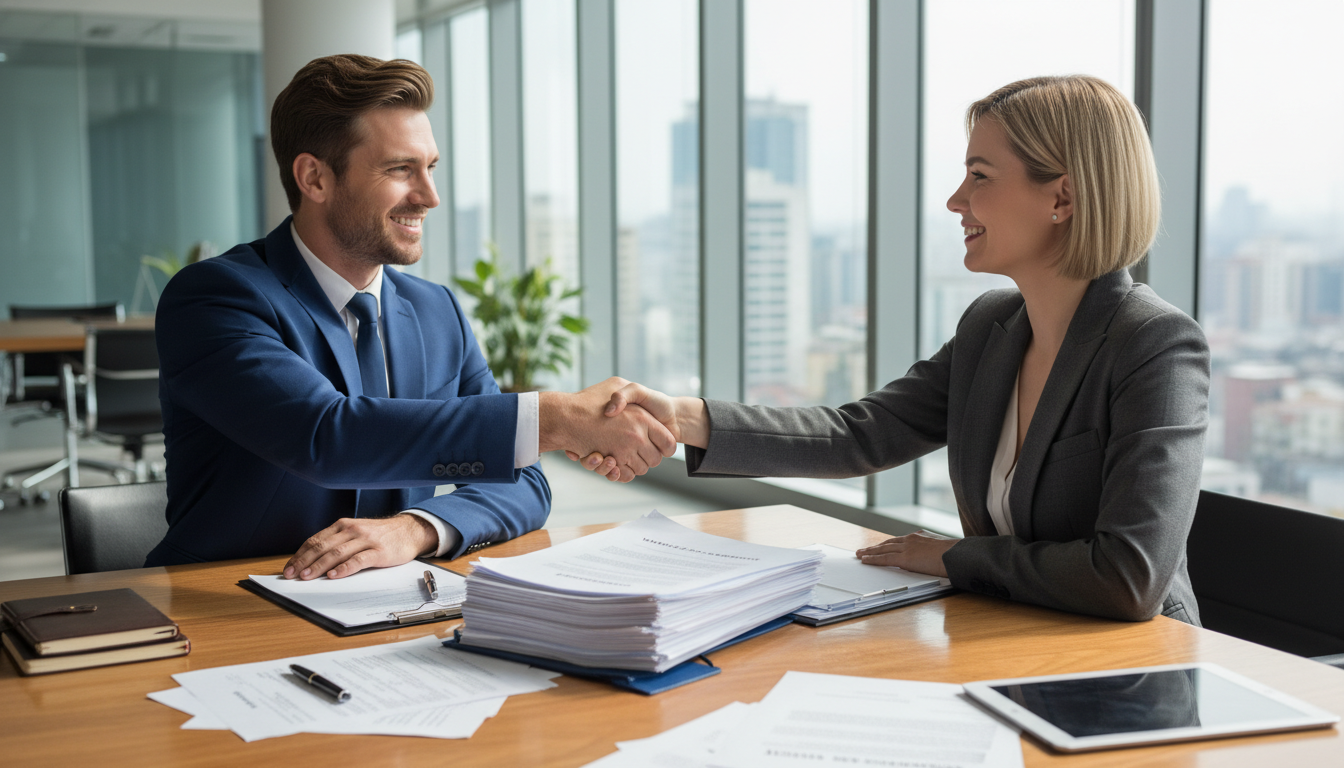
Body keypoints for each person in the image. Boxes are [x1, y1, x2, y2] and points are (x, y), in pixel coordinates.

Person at [581, 75, 1210, 624]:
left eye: (979, 176)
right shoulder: (991, 327)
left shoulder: (1153, 345)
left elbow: (1129, 577)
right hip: (1014, 634)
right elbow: (860, 435)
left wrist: (950, 557)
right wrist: (680, 416)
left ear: (1063, 198)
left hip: (1139, 667)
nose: (955, 200)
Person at [147, 54, 672, 578]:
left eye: (431, 168)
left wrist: (416, 528)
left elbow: (525, 483)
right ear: (314, 178)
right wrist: (556, 417)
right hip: (227, 607)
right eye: (401, 169)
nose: (430, 196)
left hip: (396, 613)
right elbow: (326, 437)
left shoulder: (435, 310)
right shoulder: (213, 298)